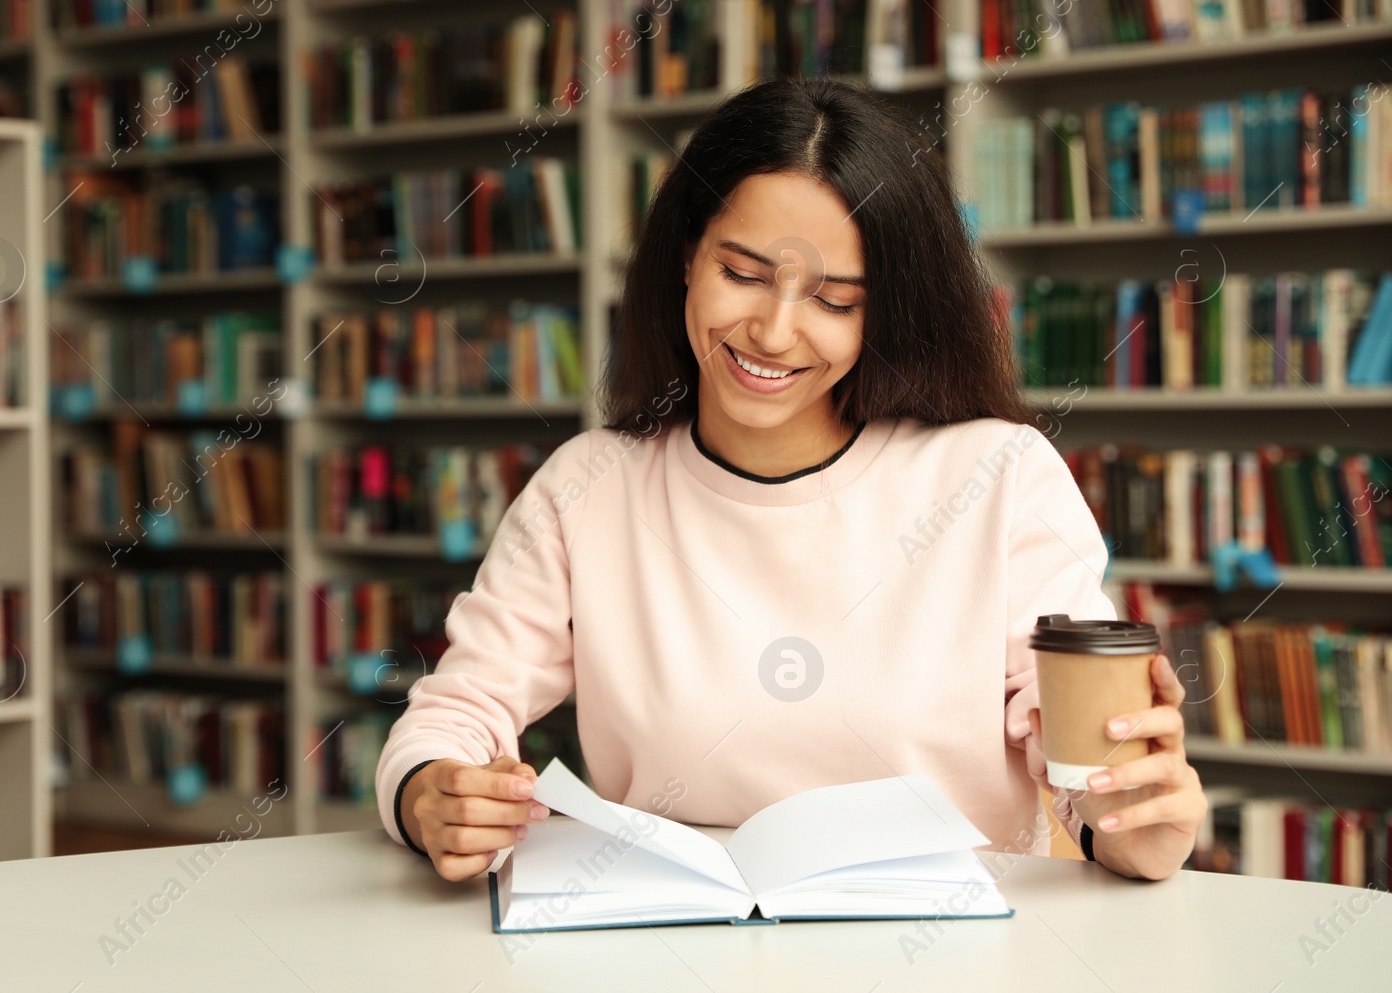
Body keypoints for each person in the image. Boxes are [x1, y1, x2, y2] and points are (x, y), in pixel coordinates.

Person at [375, 76, 1207, 884]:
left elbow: (1082, 759)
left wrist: (1134, 824)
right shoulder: (589, 486)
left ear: (887, 312)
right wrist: (430, 796)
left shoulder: (998, 476)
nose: (773, 332)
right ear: (686, 259)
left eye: (835, 300)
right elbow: (455, 711)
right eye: (741, 273)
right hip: (677, 953)